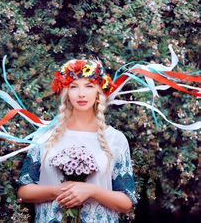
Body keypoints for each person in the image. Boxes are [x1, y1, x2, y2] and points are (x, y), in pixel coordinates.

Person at [17, 59, 137, 223]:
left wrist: (91, 191)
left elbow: (126, 201)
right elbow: (24, 190)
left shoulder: (115, 139)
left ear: (98, 92)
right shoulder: (45, 136)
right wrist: (56, 191)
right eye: (74, 86)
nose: (81, 93)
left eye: (89, 86)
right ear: (66, 92)